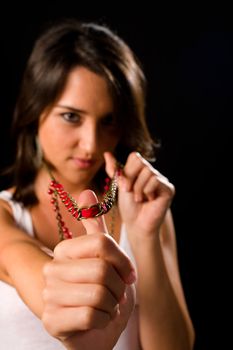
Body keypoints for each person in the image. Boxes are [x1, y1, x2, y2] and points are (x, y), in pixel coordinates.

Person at [0, 18, 195, 349]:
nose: (91, 144)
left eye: (108, 121)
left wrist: (145, 235)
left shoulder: (146, 213)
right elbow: (26, 266)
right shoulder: (5, 216)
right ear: (36, 112)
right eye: (71, 117)